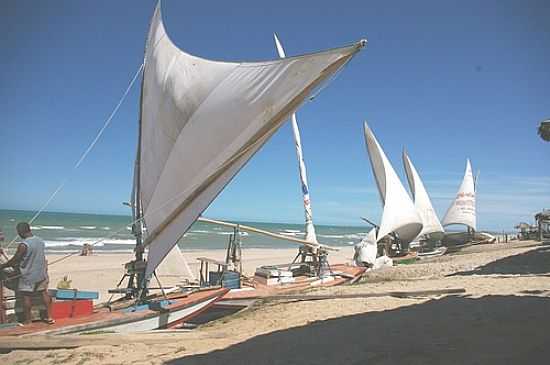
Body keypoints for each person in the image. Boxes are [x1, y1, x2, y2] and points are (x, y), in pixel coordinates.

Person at [0, 222, 54, 325]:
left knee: (26, 296)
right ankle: (49, 317)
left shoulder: (24, 245)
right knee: (44, 293)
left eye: (18, 232)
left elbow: (16, 260)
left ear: (21, 231)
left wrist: (3, 266)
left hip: (28, 275)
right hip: (41, 273)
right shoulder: (40, 241)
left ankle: (28, 320)